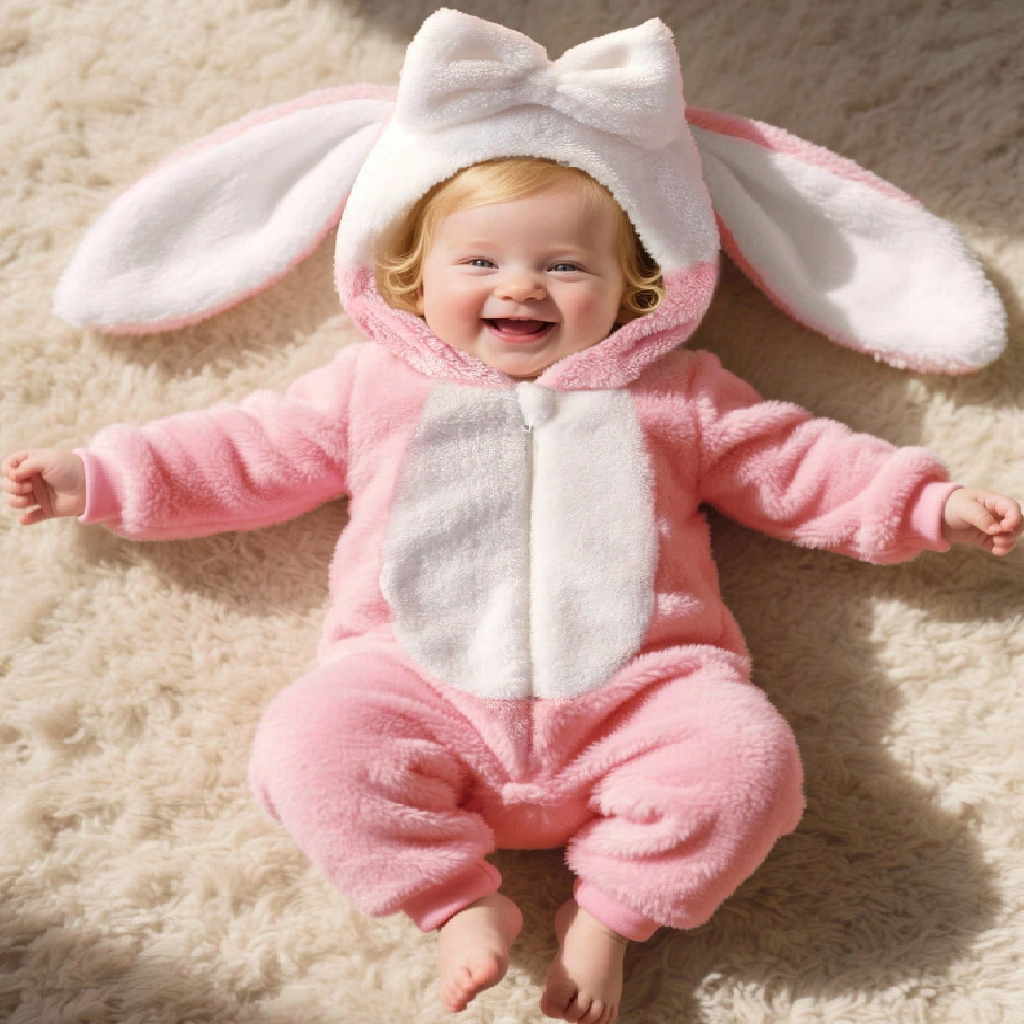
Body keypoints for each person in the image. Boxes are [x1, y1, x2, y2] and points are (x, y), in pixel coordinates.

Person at [4, 12, 1021, 1024]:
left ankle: (611, 919)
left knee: (746, 761)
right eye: (479, 263)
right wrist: (96, 475)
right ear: (407, 273)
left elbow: (799, 463)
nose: (521, 285)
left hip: (644, 697)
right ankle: (451, 904)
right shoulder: (371, 386)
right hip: (412, 692)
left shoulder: (679, 394)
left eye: (566, 267)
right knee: (308, 742)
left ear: (640, 287)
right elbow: (239, 451)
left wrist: (925, 505)